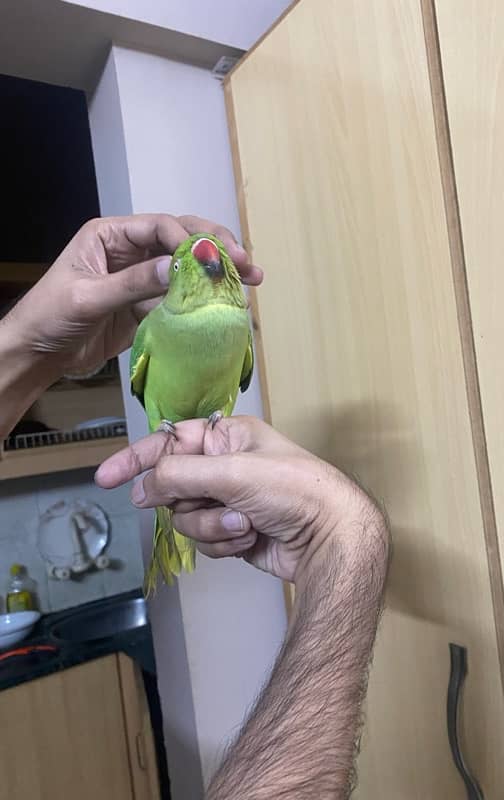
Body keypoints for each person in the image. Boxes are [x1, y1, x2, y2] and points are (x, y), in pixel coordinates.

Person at [0, 214, 390, 799]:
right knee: (173, 502)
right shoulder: (153, 330)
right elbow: (145, 393)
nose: (211, 266)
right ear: (169, 279)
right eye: (191, 265)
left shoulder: (239, 330)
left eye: (221, 264)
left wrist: (23, 348)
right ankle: (170, 534)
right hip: (167, 428)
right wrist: (348, 547)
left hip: (209, 424)